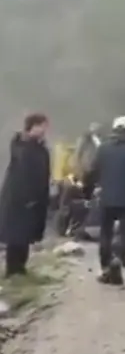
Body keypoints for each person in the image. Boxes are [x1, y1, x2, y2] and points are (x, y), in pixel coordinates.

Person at [83, 116, 125, 285]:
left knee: (106, 232)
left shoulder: (103, 148)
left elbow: (91, 171)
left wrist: (87, 192)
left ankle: (105, 267)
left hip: (107, 197)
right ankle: (118, 257)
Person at [0, 114, 51, 277]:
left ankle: (20, 268)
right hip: (19, 199)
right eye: (42, 126)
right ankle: (12, 269)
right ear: (33, 126)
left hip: (33, 199)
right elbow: (24, 174)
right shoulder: (23, 147)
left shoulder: (39, 148)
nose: (45, 130)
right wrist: (28, 197)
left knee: (25, 235)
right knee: (16, 235)